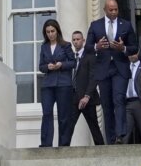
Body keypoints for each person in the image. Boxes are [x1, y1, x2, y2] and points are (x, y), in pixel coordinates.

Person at [86, 0, 138, 145]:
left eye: (116, 9)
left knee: (119, 100)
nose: (114, 12)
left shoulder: (126, 25)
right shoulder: (95, 26)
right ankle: (111, 138)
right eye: (111, 10)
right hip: (103, 69)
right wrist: (97, 47)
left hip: (119, 68)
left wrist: (123, 48)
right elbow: (88, 48)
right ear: (105, 10)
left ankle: (120, 134)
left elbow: (134, 47)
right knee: (106, 104)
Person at [36, 17, 76, 147]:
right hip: (47, 85)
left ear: (57, 31)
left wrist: (61, 65)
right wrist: (47, 67)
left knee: (63, 116)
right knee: (47, 113)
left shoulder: (66, 45)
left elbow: (73, 63)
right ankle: (46, 144)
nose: (50, 34)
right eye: (48, 32)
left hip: (63, 84)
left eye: (52, 31)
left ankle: (63, 144)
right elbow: (41, 66)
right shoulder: (44, 47)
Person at [69, 29, 104, 145]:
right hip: (73, 97)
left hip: (88, 98)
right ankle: (63, 150)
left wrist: (87, 96)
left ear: (83, 40)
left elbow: (93, 78)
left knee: (94, 127)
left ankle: (101, 151)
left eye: (78, 39)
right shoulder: (71, 57)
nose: (76, 42)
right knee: (68, 127)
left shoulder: (90, 56)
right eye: (74, 40)